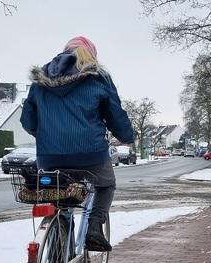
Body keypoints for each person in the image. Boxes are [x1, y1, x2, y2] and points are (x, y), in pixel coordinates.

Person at [21, 36, 135, 252]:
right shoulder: (98, 77)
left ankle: (58, 250)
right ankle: (94, 227)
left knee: (59, 197)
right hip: (90, 154)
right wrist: (127, 136)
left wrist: (47, 135)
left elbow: (28, 120)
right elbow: (115, 114)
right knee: (106, 185)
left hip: (50, 157)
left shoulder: (41, 79)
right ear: (91, 55)